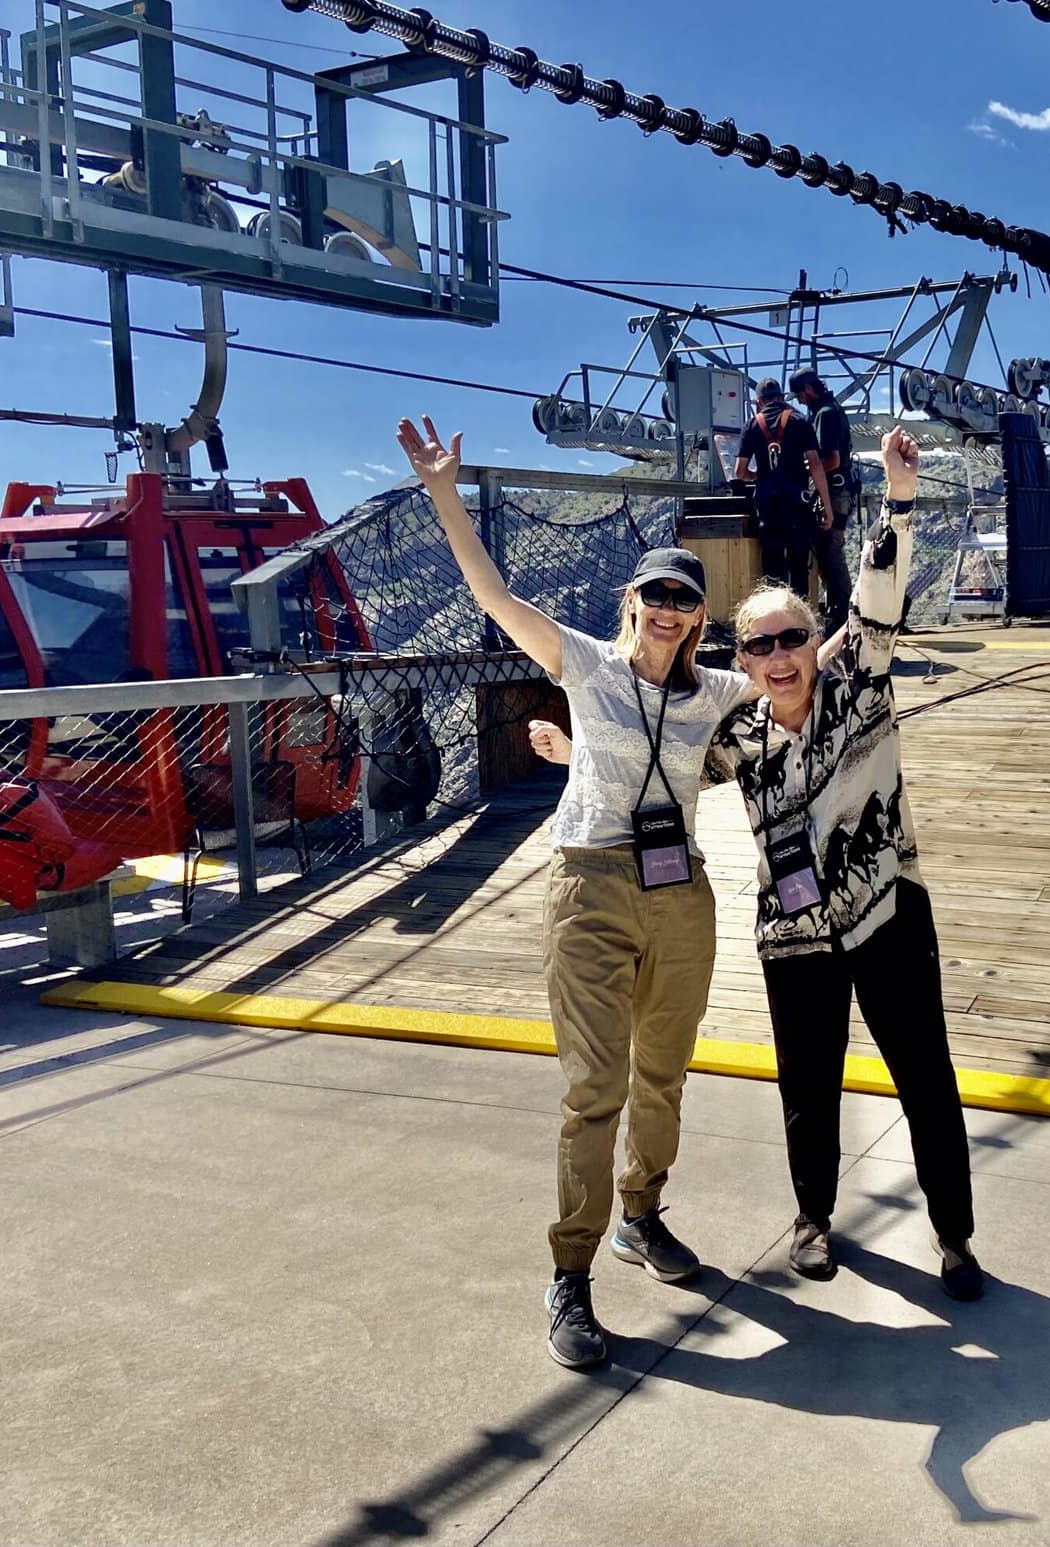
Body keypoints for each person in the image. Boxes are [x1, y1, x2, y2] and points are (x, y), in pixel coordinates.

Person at [536, 428, 984, 1301]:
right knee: (807, 1087)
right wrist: (573, 751)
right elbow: (656, 763)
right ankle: (813, 1220)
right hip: (794, 931)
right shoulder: (735, 728)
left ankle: (955, 1236)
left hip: (887, 909)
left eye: (792, 639)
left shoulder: (859, 678)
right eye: (760, 646)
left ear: (817, 639)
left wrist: (897, 500)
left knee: (924, 1075)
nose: (780, 658)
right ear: (739, 660)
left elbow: (882, 603)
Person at [396, 414, 761, 1373]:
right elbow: (491, 593)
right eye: (657, 595)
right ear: (631, 600)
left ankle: (643, 1214)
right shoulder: (587, 665)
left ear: (697, 613)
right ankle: (572, 1271)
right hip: (591, 887)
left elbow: (802, 668)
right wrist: (443, 492)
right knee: (593, 1087)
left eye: (686, 598)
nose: (672, 610)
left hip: (680, 894)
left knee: (664, 1074)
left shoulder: (713, 692)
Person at [734, 378, 833, 597]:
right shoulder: (799, 421)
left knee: (772, 568)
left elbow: (739, 472)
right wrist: (825, 506)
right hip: (798, 505)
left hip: (768, 508)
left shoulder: (751, 426)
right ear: (781, 397)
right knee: (799, 566)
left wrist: (758, 476)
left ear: (759, 402)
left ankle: (774, 622)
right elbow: (815, 465)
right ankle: (799, 624)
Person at [791, 367, 857, 639]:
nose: (799, 401)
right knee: (830, 555)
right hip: (839, 490)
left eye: (799, 395)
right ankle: (841, 617)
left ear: (807, 390)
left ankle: (844, 619)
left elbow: (830, 459)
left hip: (833, 492)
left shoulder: (825, 414)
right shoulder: (831, 410)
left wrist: (801, 467)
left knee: (831, 555)